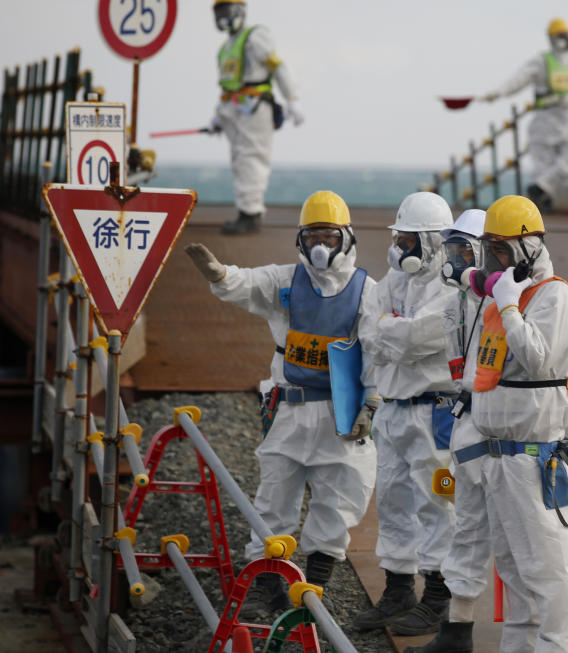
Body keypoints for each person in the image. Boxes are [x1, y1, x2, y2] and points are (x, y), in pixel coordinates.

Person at [184, 190, 377, 608]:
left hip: (340, 410)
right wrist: (219, 275)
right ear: (301, 240)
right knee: (275, 495)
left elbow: (378, 349)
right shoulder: (286, 280)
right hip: (288, 406)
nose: (320, 246)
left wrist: (373, 401)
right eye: (312, 237)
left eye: (328, 235)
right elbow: (247, 283)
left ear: (346, 237)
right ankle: (267, 578)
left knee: (341, 494)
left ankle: (319, 576)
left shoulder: (368, 292)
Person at [452, 195, 568, 652]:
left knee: (551, 572)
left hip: (534, 460)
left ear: (530, 247)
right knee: (513, 572)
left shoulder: (557, 296)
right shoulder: (502, 299)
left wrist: (509, 309)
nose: (496, 262)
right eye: (491, 251)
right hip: (497, 460)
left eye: (504, 251)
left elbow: (538, 359)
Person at [354, 192, 461, 637]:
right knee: (394, 501)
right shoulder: (393, 282)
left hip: (434, 414)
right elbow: (367, 329)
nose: (399, 247)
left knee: (439, 504)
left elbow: (420, 338)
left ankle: (439, 595)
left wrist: (390, 331)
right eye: (399, 237)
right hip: (395, 410)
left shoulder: (453, 288)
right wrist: (393, 333)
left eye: (409, 239)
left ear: (435, 242)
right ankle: (399, 587)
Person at [404, 208, 488, 653]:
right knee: (452, 512)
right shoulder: (458, 300)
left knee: (512, 539)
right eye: (451, 250)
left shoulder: (504, 303)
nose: (453, 260)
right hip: (459, 421)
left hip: (499, 431)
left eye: (463, 251)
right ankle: (451, 620)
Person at [209, 0, 305, 235]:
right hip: (236, 109)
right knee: (240, 160)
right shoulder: (225, 48)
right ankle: (246, 210)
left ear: (240, 10)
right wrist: (218, 118)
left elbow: (277, 66)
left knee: (251, 158)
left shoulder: (255, 36)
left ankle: (250, 214)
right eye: (220, 11)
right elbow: (230, 88)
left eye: (228, 10)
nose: (224, 17)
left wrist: (292, 98)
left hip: (255, 106)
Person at [481, 18, 568, 213]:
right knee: (542, 165)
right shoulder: (543, 60)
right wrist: (499, 92)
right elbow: (520, 78)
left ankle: (539, 189)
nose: (562, 39)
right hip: (546, 120)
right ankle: (543, 202)